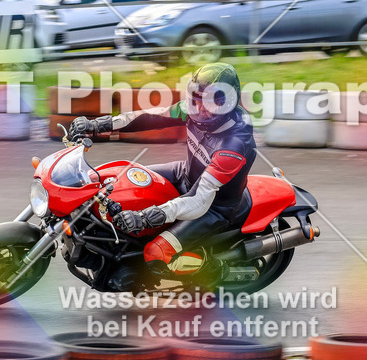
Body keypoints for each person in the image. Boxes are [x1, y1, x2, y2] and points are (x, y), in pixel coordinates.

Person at [69, 62, 255, 284]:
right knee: (121, 182)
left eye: (209, 103)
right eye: (196, 100)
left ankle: (216, 270)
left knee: (155, 253)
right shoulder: (193, 108)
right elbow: (149, 116)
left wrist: (145, 218)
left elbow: (199, 200)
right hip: (184, 173)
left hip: (214, 206)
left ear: (228, 103)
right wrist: (98, 125)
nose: (200, 109)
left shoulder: (233, 146)